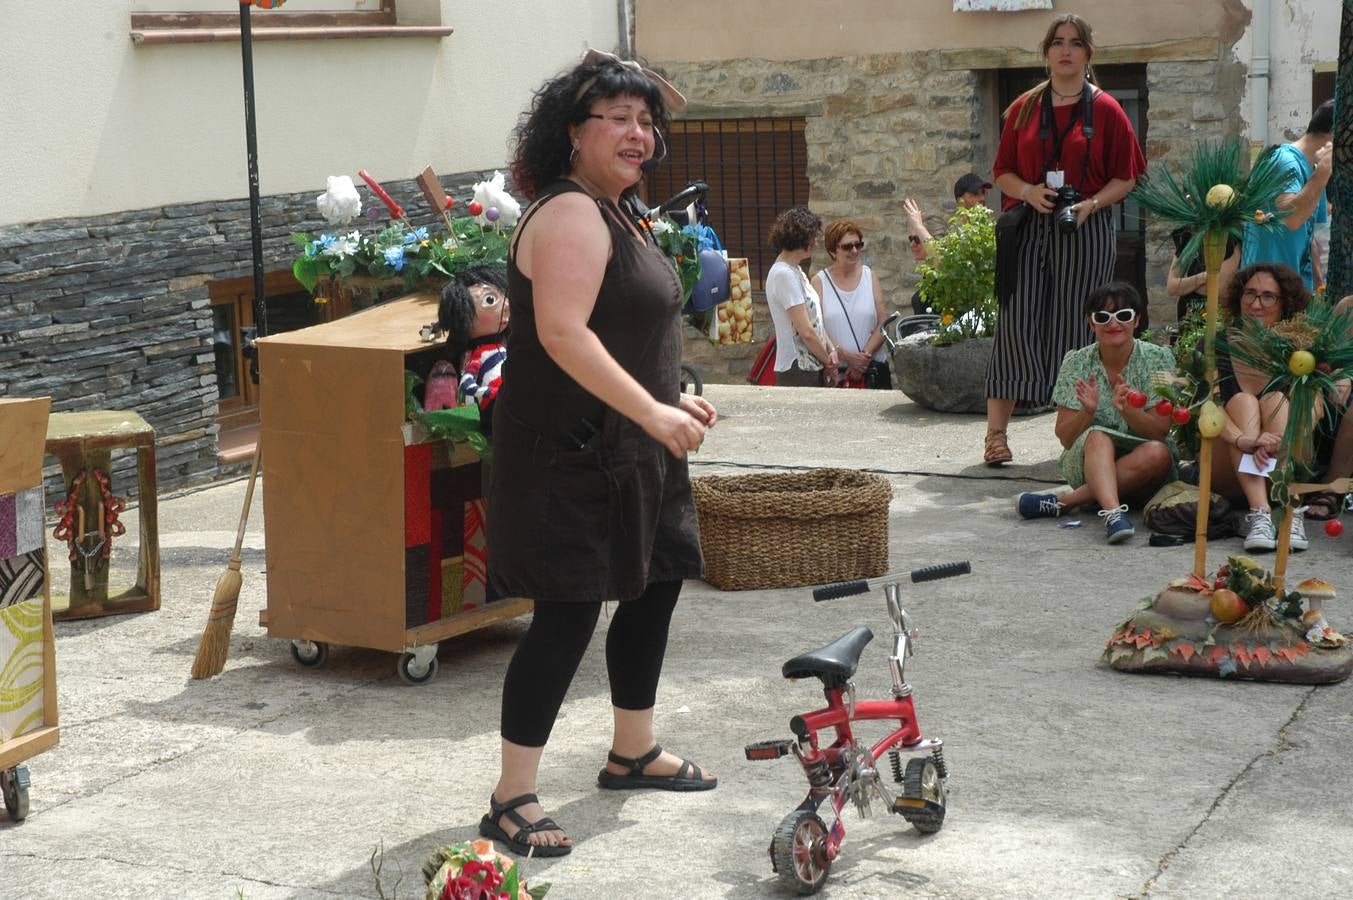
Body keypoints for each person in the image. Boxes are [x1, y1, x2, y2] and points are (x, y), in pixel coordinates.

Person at [481, 50, 718, 858]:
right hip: (569, 454)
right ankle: (511, 796)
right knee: (567, 614)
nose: (637, 132)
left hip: (631, 443)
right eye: (614, 118)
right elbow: (560, 333)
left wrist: (666, 397)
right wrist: (653, 408)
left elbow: (621, 328)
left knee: (650, 589)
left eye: (645, 121)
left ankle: (632, 751)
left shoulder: (622, 209)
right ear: (570, 134)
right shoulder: (570, 212)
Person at [983, 13, 1147, 466]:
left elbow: (1127, 176)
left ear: (1088, 53)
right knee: (1015, 323)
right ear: (1046, 52)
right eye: (1058, 42)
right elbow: (1002, 172)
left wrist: (1091, 204)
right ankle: (996, 435)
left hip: (1083, 225)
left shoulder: (1108, 109)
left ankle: (1074, 436)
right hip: (1029, 226)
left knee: (1076, 329)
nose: (1066, 50)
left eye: (1075, 43)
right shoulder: (1023, 109)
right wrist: (1029, 191)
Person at [1015, 283, 1174, 544]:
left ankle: (1063, 502)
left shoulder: (1159, 359)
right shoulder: (1076, 362)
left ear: (1137, 321)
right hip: (1089, 462)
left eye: (1123, 315)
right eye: (1103, 317)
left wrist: (1130, 413)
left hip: (1146, 471)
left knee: (1158, 451)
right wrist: (1087, 413)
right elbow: (1066, 438)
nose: (1113, 323)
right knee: (1097, 435)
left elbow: (1160, 430)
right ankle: (1113, 513)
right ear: (1091, 324)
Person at [1209, 263, 1312, 551]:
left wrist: (1278, 441)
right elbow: (1208, 406)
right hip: (1230, 469)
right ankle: (1261, 514)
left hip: (1283, 461)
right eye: (1250, 294)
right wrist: (1244, 439)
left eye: (1268, 297)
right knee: (1241, 402)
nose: (1256, 304)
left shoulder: (1300, 349)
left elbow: (1313, 413)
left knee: (1276, 400)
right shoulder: (1219, 343)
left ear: (1285, 304)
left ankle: (1288, 509)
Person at [1241, 100, 1332, 292]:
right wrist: (1324, 170)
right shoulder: (1284, 161)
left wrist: (1319, 286)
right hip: (1264, 295)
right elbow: (1291, 218)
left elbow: (1309, 236)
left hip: (1293, 292)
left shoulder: (1315, 171)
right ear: (1332, 134)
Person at [813, 218, 891, 388]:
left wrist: (863, 358)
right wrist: (847, 356)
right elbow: (817, 329)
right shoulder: (819, 282)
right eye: (848, 246)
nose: (855, 250)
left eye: (858, 245)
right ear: (833, 251)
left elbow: (883, 322)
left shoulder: (870, 277)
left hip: (872, 371)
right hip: (837, 375)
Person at [765, 206, 838, 386]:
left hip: (810, 366)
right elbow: (805, 332)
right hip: (798, 369)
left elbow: (815, 321)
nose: (815, 243)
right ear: (800, 237)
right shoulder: (784, 275)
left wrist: (831, 348)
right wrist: (829, 363)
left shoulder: (796, 271)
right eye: (812, 237)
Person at [903, 173, 991, 314]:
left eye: (983, 193)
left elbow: (943, 265)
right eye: (975, 193)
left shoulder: (984, 233)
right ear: (960, 201)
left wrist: (919, 226)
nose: (982, 198)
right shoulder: (956, 236)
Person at [1165, 227, 1239, 322]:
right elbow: (1172, 287)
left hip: (1216, 315)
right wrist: (1204, 277)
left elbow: (1221, 288)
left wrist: (1186, 286)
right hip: (1188, 314)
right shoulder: (1187, 235)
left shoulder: (1229, 236)